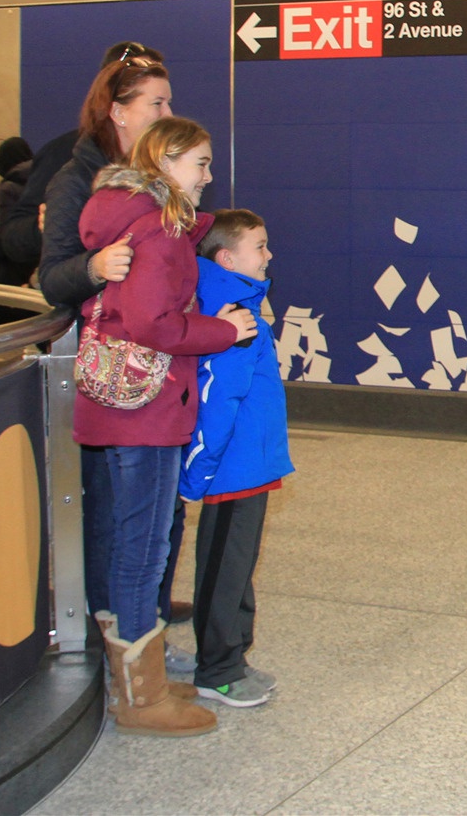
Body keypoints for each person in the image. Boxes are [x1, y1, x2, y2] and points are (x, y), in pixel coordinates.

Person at [76, 117, 255, 736]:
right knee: (144, 549)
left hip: (116, 403)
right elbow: (153, 322)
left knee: (122, 538)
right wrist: (224, 330)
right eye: (200, 163)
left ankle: (131, 675)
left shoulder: (126, 217)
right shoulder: (157, 228)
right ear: (166, 161)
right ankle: (142, 698)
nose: (208, 175)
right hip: (147, 408)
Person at [38, 52, 198, 648]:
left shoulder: (155, 185)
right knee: (118, 516)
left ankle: (145, 627)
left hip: (161, 377)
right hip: (119, 378)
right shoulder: (77, 181)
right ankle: (120, 639)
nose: (167, 111)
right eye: (156, 103)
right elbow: (52, 277)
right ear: (119, 112)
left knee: (158, 515)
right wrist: (95, 266)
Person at [181, 209, 292, 708]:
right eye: (260, 246)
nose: (269, 255)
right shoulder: (232, 316)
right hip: (232, 468)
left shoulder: (241, 304)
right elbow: (218, 399)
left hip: (252, 462)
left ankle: (234, 658)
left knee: (241, 562)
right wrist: (199, 471)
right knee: (224, 566)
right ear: (227, 258)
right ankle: (218, 669)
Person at [0, 41, 163, 285]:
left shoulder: (162, 161)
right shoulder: (64, 156)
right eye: (156, 101)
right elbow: (14, 239)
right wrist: (45, 225)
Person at [0, 136, 38, 325]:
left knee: (7, 329)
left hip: (12, 273)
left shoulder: (8, 187)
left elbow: (6, 238)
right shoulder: (46, 179)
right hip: (38, 269)